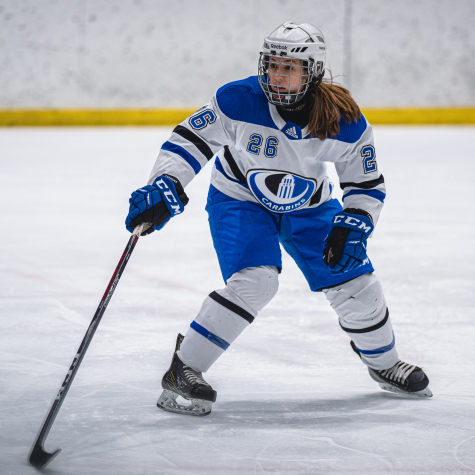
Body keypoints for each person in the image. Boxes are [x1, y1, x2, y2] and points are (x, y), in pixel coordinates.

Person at [125, 22, 432, 416]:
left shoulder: (344, 119)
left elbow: (366, 184)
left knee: (358, 286)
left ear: (314, 71)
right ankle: (183, 369)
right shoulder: (237, 100)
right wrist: (164, 182)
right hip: (239, 199)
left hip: (311, 208)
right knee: (256, 281)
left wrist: (355, 220)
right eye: (272, 65)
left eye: (290, 67)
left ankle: (385, 364)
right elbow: (189, 140)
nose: (277, 75)